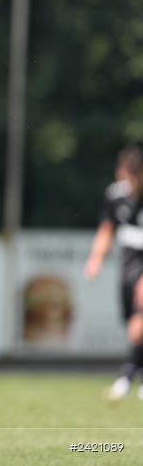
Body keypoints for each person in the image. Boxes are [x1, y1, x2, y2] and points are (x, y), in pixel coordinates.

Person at [85, 144, 143, 399]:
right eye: (127, 176)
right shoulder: (115, 195)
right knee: (131, 323)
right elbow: (106, 229)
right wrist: (95, 258)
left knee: (139, 322)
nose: (131, 182)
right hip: (128, 265)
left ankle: (126, 376)